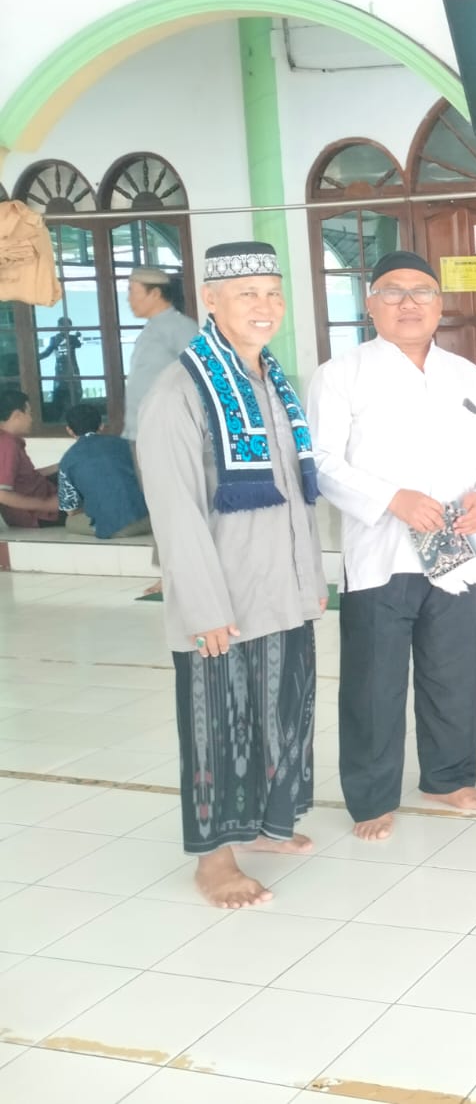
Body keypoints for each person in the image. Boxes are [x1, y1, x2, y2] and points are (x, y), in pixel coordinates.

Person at [138, 240, 325, 908]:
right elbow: (175, 510)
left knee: (279, 714)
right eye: (247, 294)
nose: (264, 306)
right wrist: (203, 607)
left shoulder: (273, 382)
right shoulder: (180, 391)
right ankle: (214, 860)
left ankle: (264, 826)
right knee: (218, 726)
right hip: (223, 599)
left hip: (282, 590)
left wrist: (310, 579)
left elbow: (296, 493)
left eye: (273, 293)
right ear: (211, 301)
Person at [308, 250, 476, 842]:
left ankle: (447, 777)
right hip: (381, 553)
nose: (408, 303)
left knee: (454, 671)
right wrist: (392, 499)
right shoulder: (341, 374)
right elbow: (322, 462)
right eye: (393, 292)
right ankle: (372, 797)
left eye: (421, 292)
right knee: (375, 681)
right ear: (370, 304)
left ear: (439, 304)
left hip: (454, 550)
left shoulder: (467, 376)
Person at [123, 266, 198, 444]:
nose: (128, 299)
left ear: (155, 293)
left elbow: (199, 377)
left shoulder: (181, 327)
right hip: (142, 432)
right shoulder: (151, 328)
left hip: (167, 434)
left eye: (133, 292)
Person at [56, 402, 149, 538]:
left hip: (113, 528)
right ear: (101, 426)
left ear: (69, 430)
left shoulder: (68, 460)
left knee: (70, 522)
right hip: (147, 521)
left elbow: (71, 510)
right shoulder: (126, 445)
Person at [0, 389, 60, 527]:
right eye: (29, 413)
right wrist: (47, 505)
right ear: (17, 415)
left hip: (43, 494)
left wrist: (59, 466)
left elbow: (24, 478)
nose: (31, 419)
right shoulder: (6, 445)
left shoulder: (10, 441)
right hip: (40, 514)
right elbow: (2, 494)